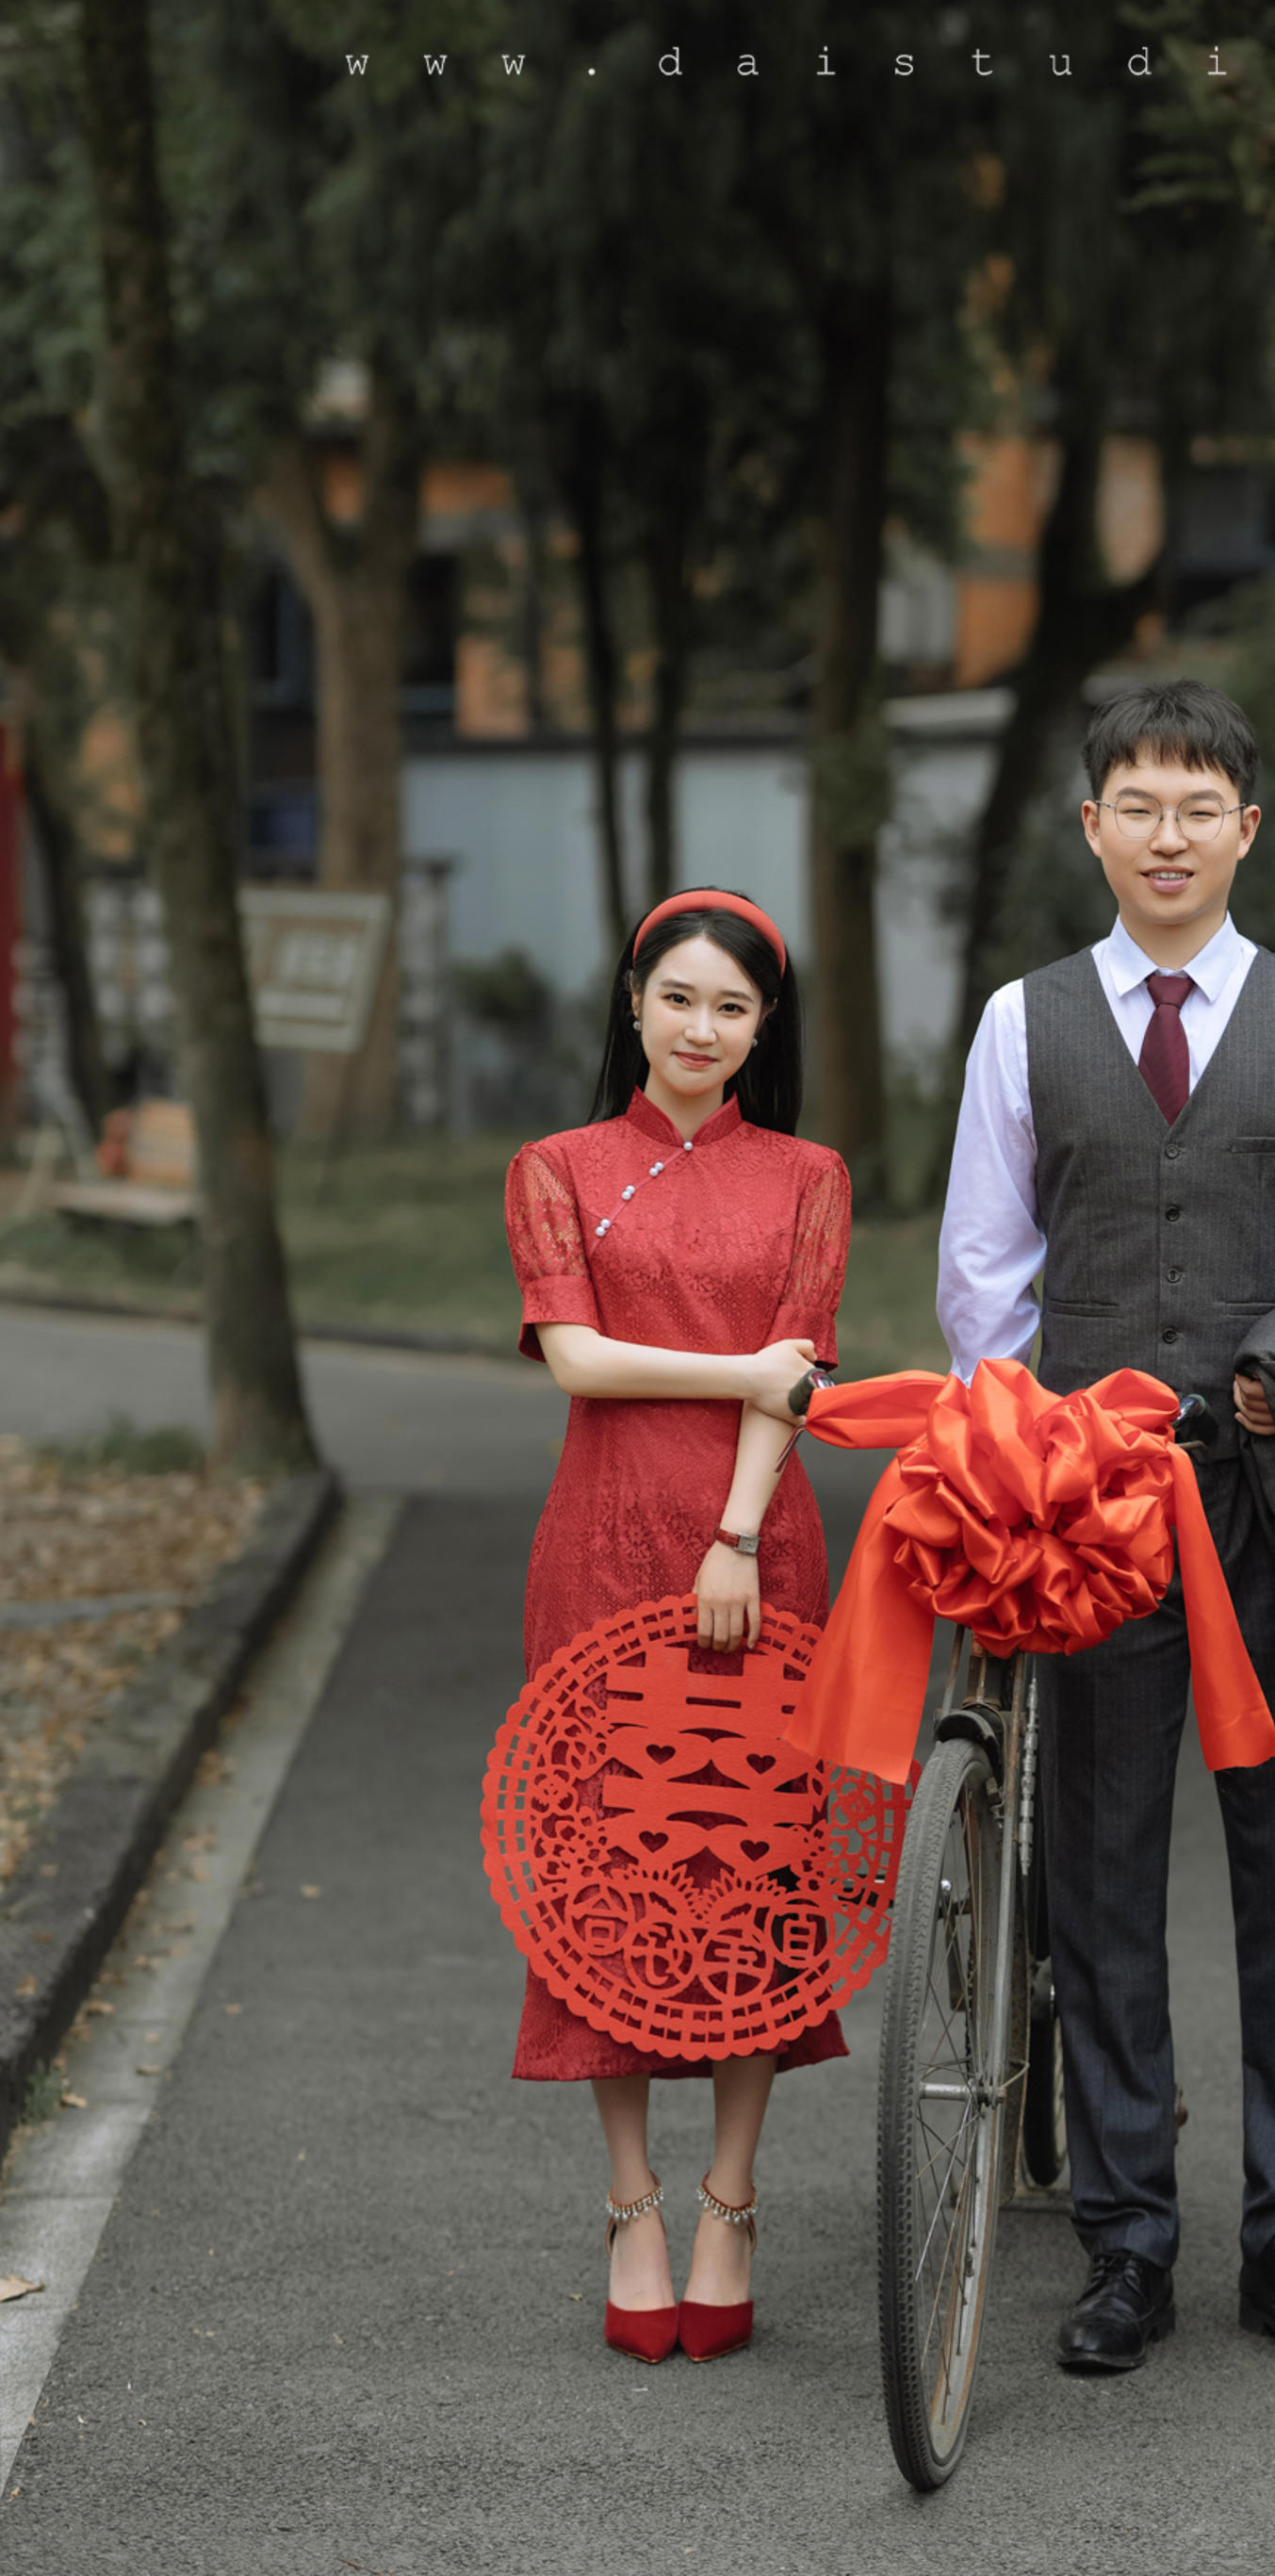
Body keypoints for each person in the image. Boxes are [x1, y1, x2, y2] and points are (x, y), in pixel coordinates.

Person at [936, 680, 1275, 2380]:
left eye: (1199, 808)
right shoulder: (1022, 1024)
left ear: (1247, 829)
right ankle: (1125, 2242)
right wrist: (1028, 1447)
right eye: (1138, 807)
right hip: (1092, 1502)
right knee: (1098, 1865)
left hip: (1272, 1498)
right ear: (1093, 827)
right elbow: (983, 1274)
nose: (1169, 837)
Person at [502, 887, 850, 2367]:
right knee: (612, 1866)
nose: (702, 1028)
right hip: (599, 1549)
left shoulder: (810, 1176)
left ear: (764, 1029)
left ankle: (732, 2199)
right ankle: (631, 2201)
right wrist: (746, 1374)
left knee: (748, 1862)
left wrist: (736, 1532)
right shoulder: (556, 1167)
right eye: (680, 998)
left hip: (757, 1551)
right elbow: (578, 1362)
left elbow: (801, 1374)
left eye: (733, 1007)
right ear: (634, 1002)